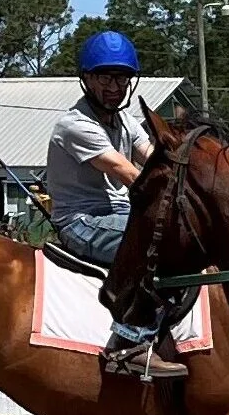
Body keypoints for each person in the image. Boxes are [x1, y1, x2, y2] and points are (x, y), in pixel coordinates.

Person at [48, 29, 188, 380]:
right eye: (105, 77)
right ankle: (126, 346)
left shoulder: (125, 121)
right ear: (87, 79)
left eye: (122, 77)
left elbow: (155, 157)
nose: (114, 86)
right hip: (82, 222)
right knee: (156, 250)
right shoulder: (75, 126)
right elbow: (131, 174)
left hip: (119, 215)